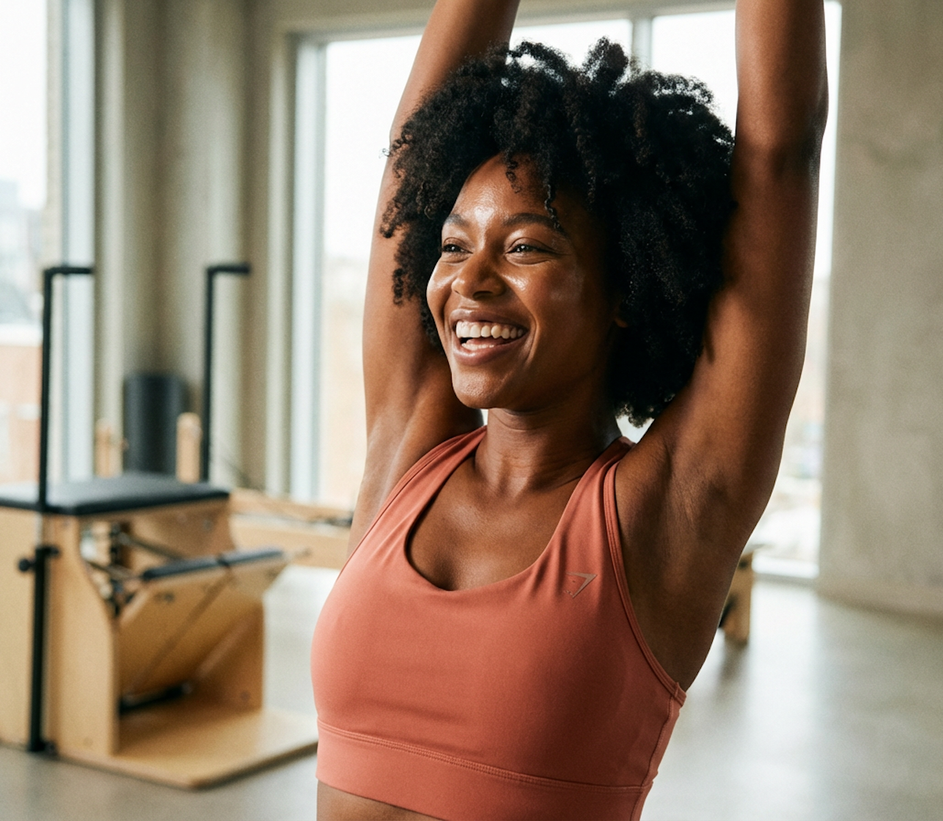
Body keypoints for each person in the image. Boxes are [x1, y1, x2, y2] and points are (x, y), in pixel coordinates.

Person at [310, 0, 827, 817]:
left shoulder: (667, 510)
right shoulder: (407, 450)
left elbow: (779, 157)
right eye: (453, 245)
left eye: (524, 246)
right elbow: (412, 154)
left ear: (622, 290)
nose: (470, 280)